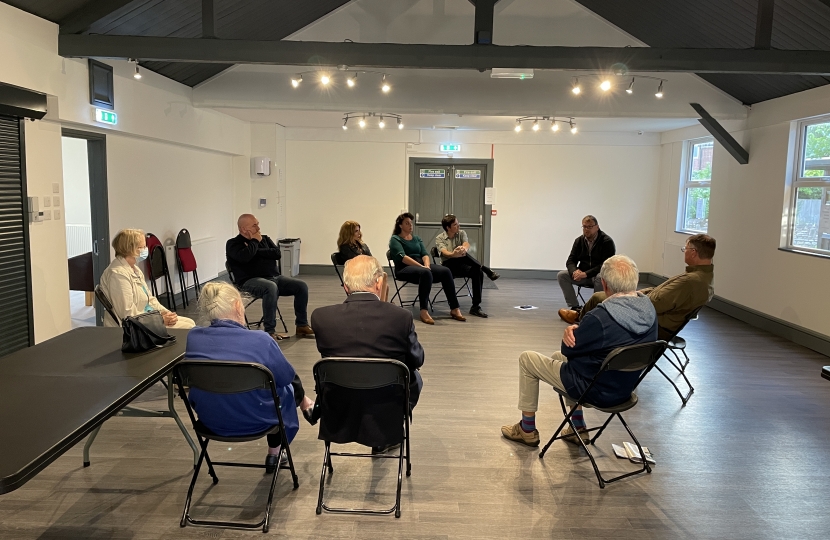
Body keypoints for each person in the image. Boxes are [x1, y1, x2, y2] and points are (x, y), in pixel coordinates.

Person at [501, 255, 657, 448]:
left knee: (527, 359)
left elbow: (568, 349)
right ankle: (578, 428)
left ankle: (526, 430)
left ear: (605, 285)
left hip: (594, 389)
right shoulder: (649, 311)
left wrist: (570, 331)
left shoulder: (600, 317)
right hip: (623, 389)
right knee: (558, 359)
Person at [185, 282, 315, 473]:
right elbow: (286, 376)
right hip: (258, 419)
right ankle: (275, 452)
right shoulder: (261, 340)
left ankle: (303, 406)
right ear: (238, 306)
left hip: (210, 419)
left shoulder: (193, 338)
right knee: (285, 387)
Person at [311, 255, 425, 453]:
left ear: (346, 286)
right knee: (414, 377)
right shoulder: (400, 317)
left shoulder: (321, 317)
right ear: (379, 283)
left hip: (339, 401)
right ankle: (385, 432)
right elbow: (417, 359)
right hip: (386, 398)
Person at [558, 234, 715, 340]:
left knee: (598, 297)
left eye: (685, 249)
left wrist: (632, 295)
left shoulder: (690, 282)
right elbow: (659, 296)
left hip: (652, 323)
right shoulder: (703, 278)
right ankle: (582, 319)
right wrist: (638, 292)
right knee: (602, 295)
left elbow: (654, 303)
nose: (684, 252)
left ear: (694, 253)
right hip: (657, 318)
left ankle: (581, 327)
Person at [226, 214, 314, 341]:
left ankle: (302, 325)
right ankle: (269, 331)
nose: (258, 227)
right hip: (249, 281)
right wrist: (255, 242)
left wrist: (255, 250)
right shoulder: (233, 244)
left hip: (274, 277)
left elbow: (277, 253)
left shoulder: (265, 239)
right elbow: (244, 257)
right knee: (270, 287)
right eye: (254, 225)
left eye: (258, 224)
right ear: (244, 229)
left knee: (301, 286)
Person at [99, 228, 195, 329]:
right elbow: (127, 313)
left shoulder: (134, 269)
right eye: (143, 247)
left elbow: (150, 299)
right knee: (188, 328)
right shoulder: (118, 275)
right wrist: (160, 319)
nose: (146, 249)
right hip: (134, 327)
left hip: (146, 316)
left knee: (190, 322)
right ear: (130, 249)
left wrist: (165, 312)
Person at [388, 212, 465, 325]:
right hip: (404, 269)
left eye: (411, 223)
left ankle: (454, 308)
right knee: (425, 273)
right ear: (400, 225)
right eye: (407, 223)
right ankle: (424, 310)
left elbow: (424, 254)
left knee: (445, 271)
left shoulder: (416, 238)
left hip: (421, 266)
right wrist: (422, 267)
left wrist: (427, 265)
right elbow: (403, 258)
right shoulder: (395, 239)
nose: (410, 226)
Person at [434, 214, 499, 318]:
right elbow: (444, 252)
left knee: (477, 271)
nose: (458, 226)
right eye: (455, 224)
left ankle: (475, 306)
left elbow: (466, 244)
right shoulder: (439, 238)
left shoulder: (461, 233)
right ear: (448, 227)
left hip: (462, 264)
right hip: (448, 267)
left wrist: (463, 249)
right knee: (459, 256)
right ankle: (485, 268)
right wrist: (454, 254)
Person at [557, 215, 616, 310]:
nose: (586, 229)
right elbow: (571, 260)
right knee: (562, 275)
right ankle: (575, 307)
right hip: (582, 276)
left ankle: (596, 308)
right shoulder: (579, 241)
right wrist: (575, 272)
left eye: (589, 227)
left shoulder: (606, 242)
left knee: (600, 277)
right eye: (584, 226)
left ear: (597, 227)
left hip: (598, 275)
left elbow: (606, 265)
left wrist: (586, 274)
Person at [336, 220, 388, 302]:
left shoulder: (362, 245)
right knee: (382, 277)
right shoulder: (345, 248)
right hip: (358, 273)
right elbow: (354, 262)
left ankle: (382, 303)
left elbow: (371, 258)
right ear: (349, 233)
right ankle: (381, 304)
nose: (359, 233)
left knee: (383, 278)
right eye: (356, 231)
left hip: (367, 270)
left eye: (359, 230)